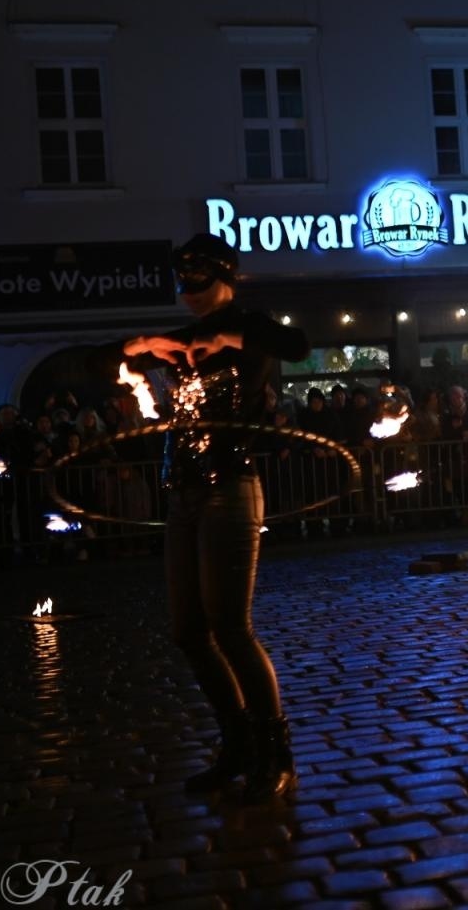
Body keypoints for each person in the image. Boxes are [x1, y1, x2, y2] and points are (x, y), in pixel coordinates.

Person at [120, 232, 310, 801]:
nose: (189, 296)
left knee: (230, 626)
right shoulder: (178, 337)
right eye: (183, 285)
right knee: (188, 630)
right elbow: (102, 358)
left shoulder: (252, 326)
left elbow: (297, 344)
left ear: (225, 274)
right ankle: (237, 744)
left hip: (231, 486)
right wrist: (144, 344)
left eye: (199, 282)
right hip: (180, 491)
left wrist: (232, 335)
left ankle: (276, 755)